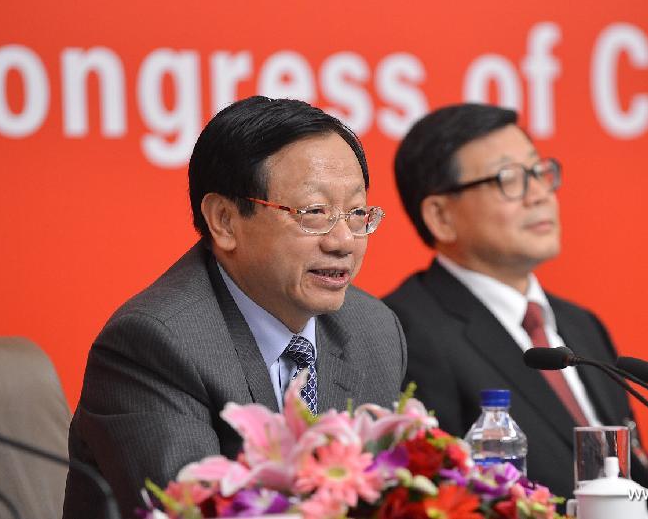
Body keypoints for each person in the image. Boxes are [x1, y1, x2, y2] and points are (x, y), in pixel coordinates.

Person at [63, 96, 406, 518]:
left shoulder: (373, 328)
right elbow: (193, 511)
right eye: (314, 213)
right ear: (225, 220)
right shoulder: (154, 344)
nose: (342, 241)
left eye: (356, 213)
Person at [383, 103, 648, 501]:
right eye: (508, 178)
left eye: (538, 172)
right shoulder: (405, 333)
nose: (539, 195)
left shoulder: (581, 325)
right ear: (441, 216)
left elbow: (640, 490)